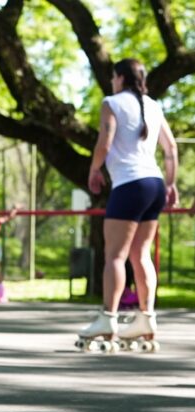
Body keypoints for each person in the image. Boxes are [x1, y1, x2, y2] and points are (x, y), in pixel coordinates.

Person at [78, 58, 178, 351]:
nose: (111, 81)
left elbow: (105, 140)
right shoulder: (154, 105)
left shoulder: (112, 102)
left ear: (120, 77)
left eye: (113, 77)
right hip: (155, 183)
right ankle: (146, 318)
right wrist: (171, 183)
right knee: (141, 254)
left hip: (130, 184)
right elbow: (170, 148)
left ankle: (108, 317)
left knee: (115, 256)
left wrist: (94, 169)